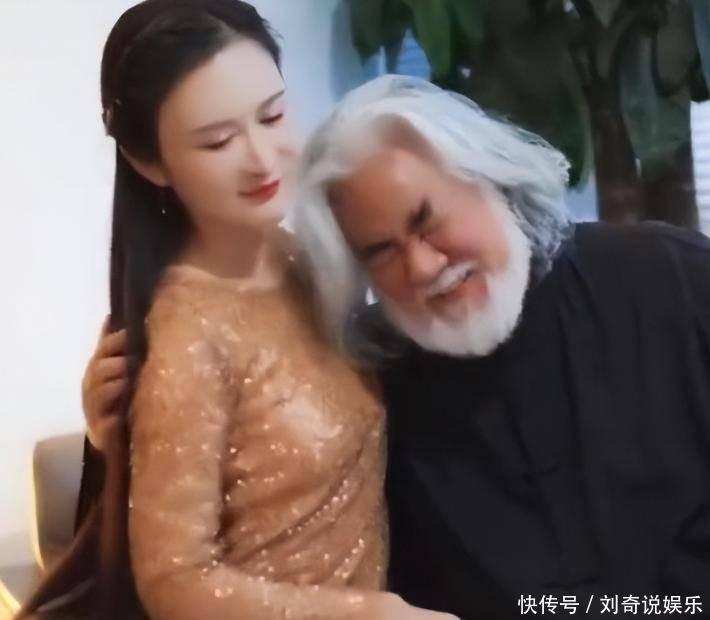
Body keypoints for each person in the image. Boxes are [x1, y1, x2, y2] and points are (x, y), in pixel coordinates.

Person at [19, 7, 456, 620]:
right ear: (150, 163)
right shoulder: (188, 335)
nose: (262, 157)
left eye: (272, 115)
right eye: (219, 141)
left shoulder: (299, 256)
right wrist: (369, 613)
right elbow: (175, 580)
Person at [288, 76, 710, 619]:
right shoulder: (375, 393)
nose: (421, 267)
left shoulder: (670, 280)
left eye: (427, 221)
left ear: (491, 180)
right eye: (381, 251)